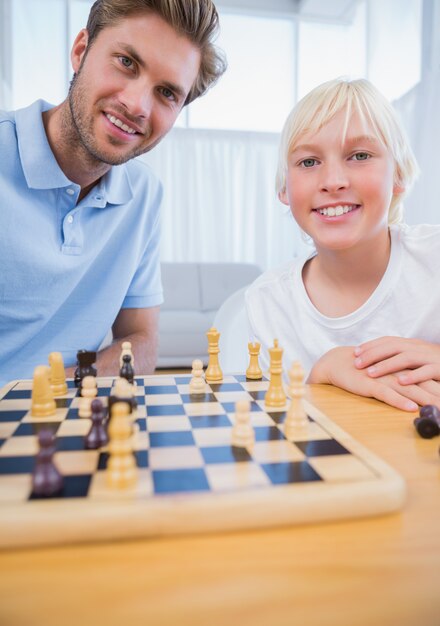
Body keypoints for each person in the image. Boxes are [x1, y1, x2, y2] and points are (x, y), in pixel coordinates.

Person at [0, 0, 226, 386]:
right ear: (80, 50)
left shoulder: (145, 194)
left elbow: (141, 342)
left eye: (167, 93)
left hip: (68, 422)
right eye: (126, 62)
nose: (136, 105)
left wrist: (56, 387)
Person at [245, 78, 440, 412]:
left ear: (399, 176)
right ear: (284, 190)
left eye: (360, 155)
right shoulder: (268, 304)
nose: (333, 182)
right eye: (309, 162)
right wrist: (322, 373)